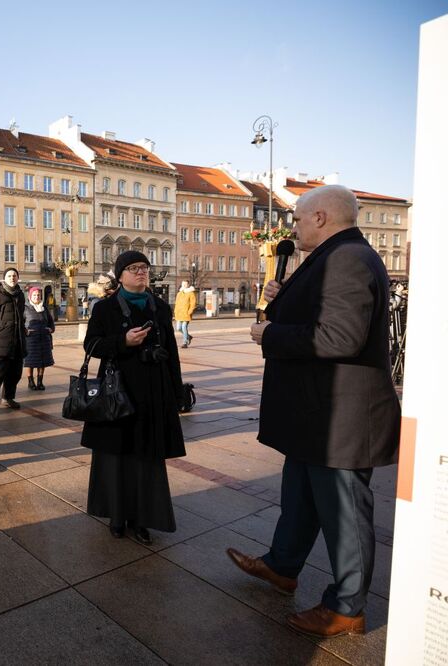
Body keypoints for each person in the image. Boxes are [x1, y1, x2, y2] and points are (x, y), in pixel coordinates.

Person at [228, 184, 400, 638]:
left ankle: (347, 608)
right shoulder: (333, 257)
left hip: (342, 419)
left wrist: (270, 335)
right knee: (300, 499)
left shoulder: (346, 260)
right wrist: (281, 299)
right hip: (317, 416)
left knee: (345, 517)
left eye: (299, 218)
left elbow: (340, 338)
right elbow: (321, 320)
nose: (294, 226)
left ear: (321, 217)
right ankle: (282, 566)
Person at [81, 250, 186, 546]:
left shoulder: (160, 308)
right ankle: (116, 516)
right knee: (116, 457)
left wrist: (177, 393)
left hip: (153, 393)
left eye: (144, 267)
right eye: (134, 268)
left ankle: (142, 519)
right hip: (117, 392)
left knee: (146, 458)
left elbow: (173, 355)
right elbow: (92, 346)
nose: (141, 272)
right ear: (120, 275)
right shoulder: (105, 308)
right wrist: (123, 342)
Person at [0, 267, 27, 413]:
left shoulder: (20, 295)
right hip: (3, 341)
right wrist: (0, 329)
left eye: (14, 275)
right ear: (4, 278)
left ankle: (8, 398)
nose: (12, 278)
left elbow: (21, 315)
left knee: (15, 373)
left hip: (18, 340)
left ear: (17, 278)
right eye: (9, 276)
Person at [23, 286, 55, 390]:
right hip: (31, 339)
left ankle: (40, 382)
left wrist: (51, 329)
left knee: (42, 361)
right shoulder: (25, 307)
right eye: (34, 295)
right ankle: (30, 382)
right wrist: (26, 331)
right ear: (30, 296)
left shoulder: (44, 307)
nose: (36, 297)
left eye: (38, 295)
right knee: (30, 361)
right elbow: (20, 323)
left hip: (44, 338)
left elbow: (51, 321)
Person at [173, 280, 197, 348]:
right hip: (179, 313)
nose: (184, 285)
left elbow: (193, 303)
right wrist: (175, 312)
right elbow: (176, 303)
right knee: (178, 328)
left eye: (185, 284)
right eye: (183, 284)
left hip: (186, 313)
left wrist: (189, 311)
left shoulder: (191, 293)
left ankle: (185, 342)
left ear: (188, 285)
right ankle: (188, 336)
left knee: (184, 327)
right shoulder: (179, 293)